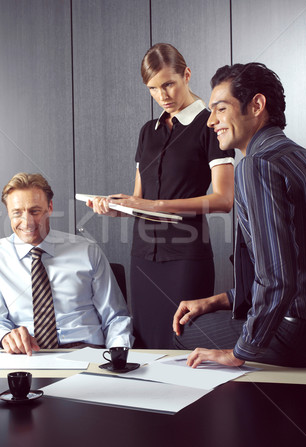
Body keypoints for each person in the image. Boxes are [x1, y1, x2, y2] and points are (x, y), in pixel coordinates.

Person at [173, 62, 306, 368]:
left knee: (185, 331)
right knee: (211, 313)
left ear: (257, 105)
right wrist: (219, 300)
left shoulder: (256, 166)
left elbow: (277, 279)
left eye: (220, 109)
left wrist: (239, 353)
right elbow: (302, 269)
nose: (211, 122)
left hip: (305, 338)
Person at [87, 43, 235, 348]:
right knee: (144, 344)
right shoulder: (147, 131)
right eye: (153, 89)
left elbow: (224, 199)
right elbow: (140, 197)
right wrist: (120, 207)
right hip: (143, 255)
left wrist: (154, 204)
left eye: (169, 84)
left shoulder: (210, 126)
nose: (162, 96)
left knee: (180, 341)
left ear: (187, 75)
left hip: (185, 255)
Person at [0, 172, 134, 355]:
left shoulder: (87, 251)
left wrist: (117, 357)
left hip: (86, 352)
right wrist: (4, 337)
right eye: (17, 213)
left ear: (50, 207)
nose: (27, 222)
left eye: (35, 211)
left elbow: (115, 318)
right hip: (26, 356)